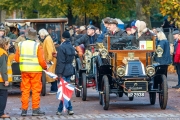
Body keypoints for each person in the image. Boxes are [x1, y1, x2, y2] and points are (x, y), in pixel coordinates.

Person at [15, 29, 47, 116]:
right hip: (36, 72)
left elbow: (16, 59)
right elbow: (41, 60)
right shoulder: (37, 46)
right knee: (36, 90)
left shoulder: (20, 44)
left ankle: (24, 110)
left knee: (25, 90)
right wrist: (45, 67)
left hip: (24, 70)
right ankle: (35, 109)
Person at [55, 31, 75, 115]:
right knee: (65, 90)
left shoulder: (61, 47)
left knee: (63, 91)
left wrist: (59, 73)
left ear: (62, 38)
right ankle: (69, 109)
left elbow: (61, 62)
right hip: (69, 69)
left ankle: (63, 109)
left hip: (63, 71)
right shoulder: (71, 46)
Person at [38, 29, 57, 94]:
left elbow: (50, 50)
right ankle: (54, 89)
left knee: (51, 74)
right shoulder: (47, 39)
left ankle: (54, 89)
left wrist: (49, 59)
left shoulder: (47, 39)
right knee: (51, 74)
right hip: (50, 59)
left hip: (50, 60)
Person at [0, 37, 12, 118]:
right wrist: (6, 80)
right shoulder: (3, 53)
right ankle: (1, 113)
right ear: (5, 45)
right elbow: (3, 68)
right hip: (1, 80)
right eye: (8, 44)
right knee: (3, 96)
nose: (9, 45)